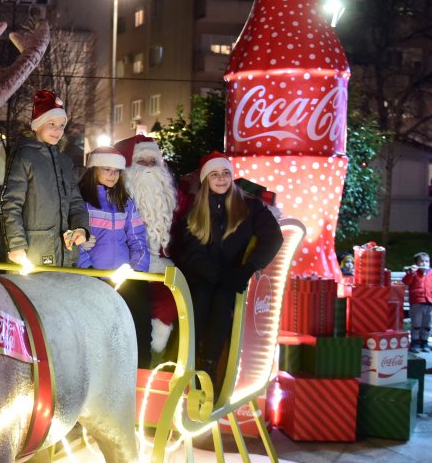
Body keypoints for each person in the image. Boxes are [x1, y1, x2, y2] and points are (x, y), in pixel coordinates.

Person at [168, 151, 283, 394]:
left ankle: (210, 366)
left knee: (223, 300)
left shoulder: (251, 207)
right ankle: (184, 363)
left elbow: (273, 237)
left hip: (236, 276)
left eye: (225, 173)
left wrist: (248, 268)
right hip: (205, 276)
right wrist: (220, 277)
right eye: (214, 174)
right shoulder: (195, 213)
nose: (221, 178)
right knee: (201, 297)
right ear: (205, 180)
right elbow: (191, 254)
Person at [75, 146, 152, 365]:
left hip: (125, 276)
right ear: (93, 170)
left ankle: (141, 370)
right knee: (101, 331)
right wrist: (88, 271)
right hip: (93, 278)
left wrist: (136, 270)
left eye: (117, 171)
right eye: (106, 169)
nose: (112, 175)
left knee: (139, 324)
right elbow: (74, 242)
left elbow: (138, 239)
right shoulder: (81, 202)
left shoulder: (125, 203)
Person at [1, 90, 89, 269]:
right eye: (51, 124)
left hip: (65, 255)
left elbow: (75, 202)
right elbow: (11, 203)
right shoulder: (24, 156)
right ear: (37, 124)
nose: (58, 130)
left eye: (62, 125)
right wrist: (16, 245)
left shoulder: (65, 162)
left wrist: (81, 228)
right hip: (33, 254)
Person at [114, 134, 180, 354]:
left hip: (161, 270)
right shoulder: (116, 198)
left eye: (154, 162)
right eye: (142, 162)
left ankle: (156, 356)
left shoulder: (172, 199)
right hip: (124, 269)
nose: (150, 168)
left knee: (171, 300)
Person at [402, 252, 432, 353]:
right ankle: (415, 342)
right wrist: (411, 273)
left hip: (431, 303)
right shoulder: (413, 273)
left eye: (427, 261)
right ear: (416, 263)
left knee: (427, 324)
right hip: (417, 302)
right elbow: (406, 282)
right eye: (421, 261)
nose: (424, 263)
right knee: (416, 324)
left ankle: (424, 342)